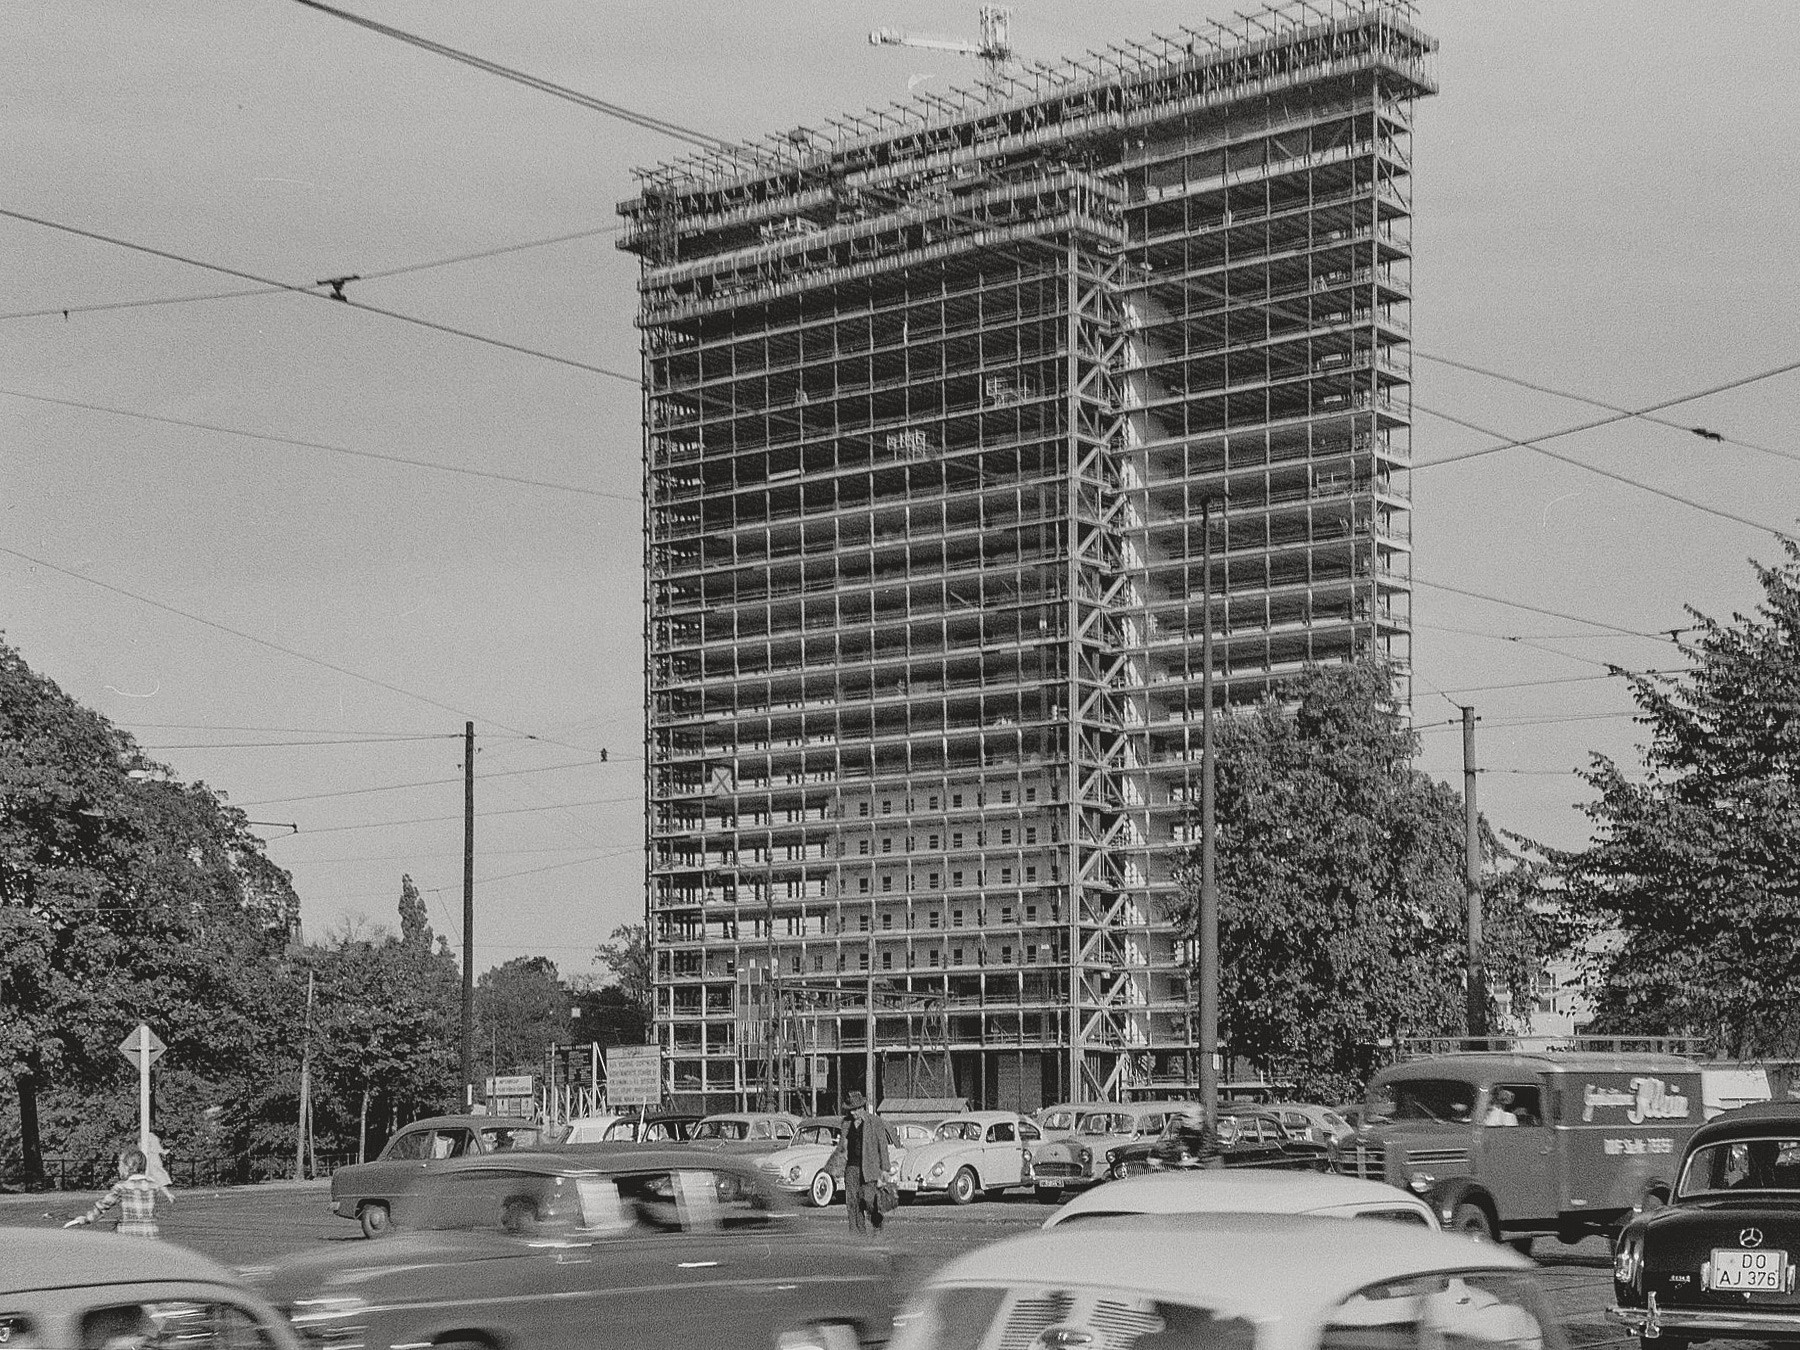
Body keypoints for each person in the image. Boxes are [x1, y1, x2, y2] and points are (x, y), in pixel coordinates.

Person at [827, 1091, 900, 1235]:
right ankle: (858, 1234)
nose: (852, 1113)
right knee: (852, 1202)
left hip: (870, 1168)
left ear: (862, 1108)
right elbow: (842, 1147)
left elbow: (882, 1147)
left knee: (867, 1200)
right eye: (850, 1110)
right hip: (851, 1168)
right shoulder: (846, 1123)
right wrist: (832, 1168)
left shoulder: (875, 1122)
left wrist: (885, 1169)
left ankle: (876, 1219)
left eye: (854, 1109)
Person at [64, 1148, 175, 1238]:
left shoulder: (122, 1187)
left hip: (128, 1236)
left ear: (127, 1167)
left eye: (120, 1165)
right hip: (150, 1235)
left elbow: (103, 1206)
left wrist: (86, 1219)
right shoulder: (153, 1186)